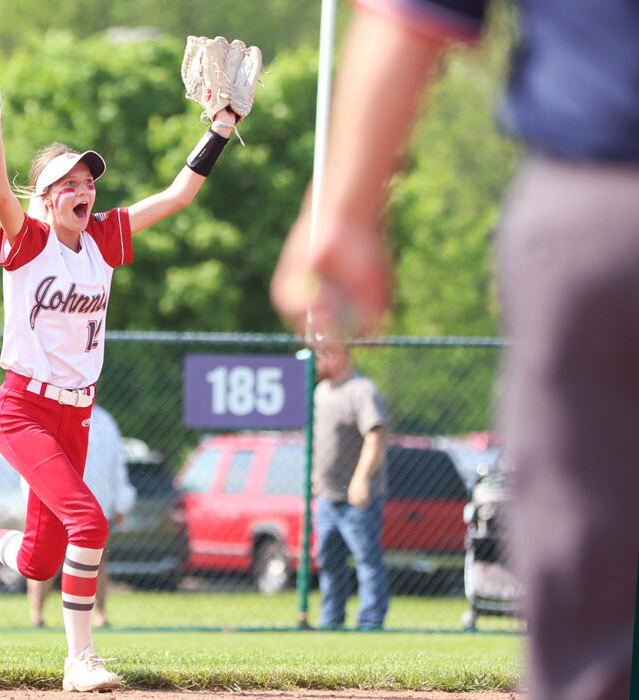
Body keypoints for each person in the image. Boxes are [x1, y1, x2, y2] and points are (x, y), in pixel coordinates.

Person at [269, 2, 639, 698]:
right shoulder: (327, 392)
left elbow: (414, 13)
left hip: (600, 200)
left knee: (586, 585)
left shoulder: (356, 392)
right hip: (597, 214)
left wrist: (346, 207)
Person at [0, 58, 243, 692]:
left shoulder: (104, 239)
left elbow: (177, 196)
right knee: (89, 523)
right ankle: (80, 660)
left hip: (78, 413)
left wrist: (219, 131)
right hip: (23, 411)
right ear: (44, 199)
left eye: (88, 177)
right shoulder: (28, 241)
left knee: (40, 557)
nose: (83, 187)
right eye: (67, 181)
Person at [26, 405, 136, 629]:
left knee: (96, 561)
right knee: (47, 558)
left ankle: (100, 616)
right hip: (54, 499)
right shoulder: (51, 412)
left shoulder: (104, 420)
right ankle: (36, 615)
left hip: (97, 502)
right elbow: (32, 460)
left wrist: (122, 500)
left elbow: (116, 464)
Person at [311, 336, 388, 630]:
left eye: (319, 355)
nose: (315, 362)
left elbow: (376, 435)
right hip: (327, 497)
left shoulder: (362, 391)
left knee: (367, 561)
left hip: (357, 499)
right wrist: (315, 479)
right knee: (329, 562)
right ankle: (331, 622)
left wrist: (360, 480)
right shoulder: (321, 392)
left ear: (335, 355)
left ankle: (369, 624)